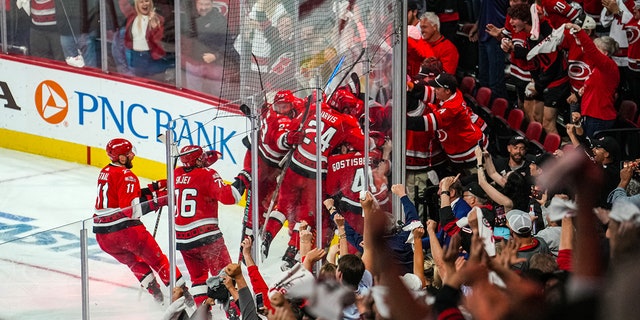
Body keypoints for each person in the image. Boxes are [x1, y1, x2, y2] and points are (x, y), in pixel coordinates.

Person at [276, 92, 369, 269]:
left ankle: (295, 255)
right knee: (320, 224)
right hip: (333, 189)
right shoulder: (347, 125)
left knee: (306, 217)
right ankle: (304, 258)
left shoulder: (316, 110)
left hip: (312, 177)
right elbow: (366, 145)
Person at [93, 138, 188, 304]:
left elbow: (125, 196)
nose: (133, 156)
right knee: (158, 261)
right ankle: (186, 298)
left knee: (135, 263)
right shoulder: (127, 175)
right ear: (122, 158)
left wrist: (155, 187)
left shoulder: (105, 171)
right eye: (129, 154)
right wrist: (160, 199)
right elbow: (132, 210)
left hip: (103, 237)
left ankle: (158, 298)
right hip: (126, 232)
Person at [173, 145, 245, 306]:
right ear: (195, 160)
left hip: (184, 241)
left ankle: (203, 315)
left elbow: (192, 177)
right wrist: (243, 179)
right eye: (200, 158)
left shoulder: (175, 173)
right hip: (207, 238)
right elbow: (230, 197)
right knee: (226, 276)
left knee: (198, 280)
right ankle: (233, 312)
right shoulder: (208, 174)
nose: (203, 159)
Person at [406, 73, 486, 168]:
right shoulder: (453, 93)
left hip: (471, 153)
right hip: (466, 147)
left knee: (474, 180)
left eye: (437, 89)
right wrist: (408, 85)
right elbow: (426, 92)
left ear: (447, 91)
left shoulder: (451, 109)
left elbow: (423, 123)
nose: (435, 91)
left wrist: (398, 120)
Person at [565, 23, 620, 138]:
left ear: (605, 54)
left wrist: (580, 31)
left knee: (590, 151)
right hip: (591, 115)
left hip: (600, 117)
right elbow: (591, 85)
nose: (591, 52)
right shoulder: (597, 68)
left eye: (597, 49)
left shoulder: (608, 67)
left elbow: (590, 50)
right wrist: (580, 92)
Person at [183, 0, 238, 96]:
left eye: (207, 4)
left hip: (215, 65)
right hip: (194, 64)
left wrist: (215, 56)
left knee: (217, 93)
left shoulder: (219, 20)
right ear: (196, 3)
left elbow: (228, 43)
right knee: (192, 93)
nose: (203, 7)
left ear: (212, 4)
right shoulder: (188, 18)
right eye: (201, 4)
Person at [119, 0, 174, 78]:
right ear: (137, 4)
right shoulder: (132, 16)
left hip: (150, 57)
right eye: (141, 2)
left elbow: (159, 39)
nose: (144, 4)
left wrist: (155, 27)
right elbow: (123, 4)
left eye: (146, 1)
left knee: (153, 80)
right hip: (135, 56)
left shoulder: (157, 19)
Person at [469, 0, 509, 98]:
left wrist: (506, 31)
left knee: (495, 82)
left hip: (496, 36)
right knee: (483, 79)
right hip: (483, 34)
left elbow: (513, 10)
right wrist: (477, 25)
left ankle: (499, 110)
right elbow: (485, 9)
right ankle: (483, 110)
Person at [56, 0, 99, 68]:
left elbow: (94, 10)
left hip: (85, 32)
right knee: (71, 65)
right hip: (66, 31)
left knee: (89, 66)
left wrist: (85, 31)